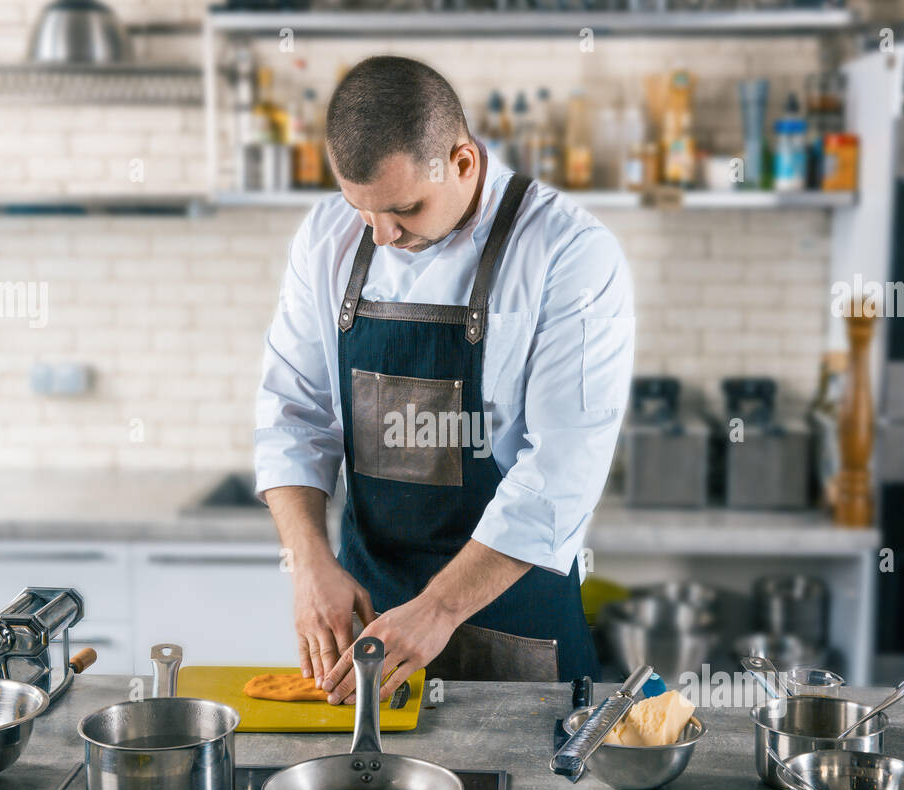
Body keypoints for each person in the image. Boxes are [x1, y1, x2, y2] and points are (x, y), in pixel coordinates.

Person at [254, 56, 634, 703]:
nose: (382, 233)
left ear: (461, 160)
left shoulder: (569, 253)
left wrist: (437, 609)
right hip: (373, 630)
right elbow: (292, 415)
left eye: (404, 208)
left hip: (518, 642)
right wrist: (310, 562)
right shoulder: (328, 238)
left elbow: (561, 474)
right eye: (362, 208)